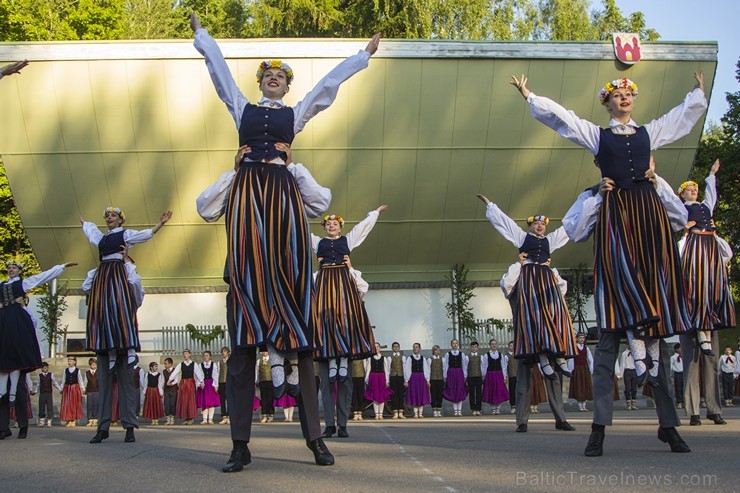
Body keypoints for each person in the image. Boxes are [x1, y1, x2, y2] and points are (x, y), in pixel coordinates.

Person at [191, 9, 380, 469]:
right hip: (247, 214)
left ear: (287, 87)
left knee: (304, 341)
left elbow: (327, 89)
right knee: (241, 346)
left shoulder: (295, 120)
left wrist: (362, 56)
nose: (274, 78)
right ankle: (240, 445)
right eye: (269, 74)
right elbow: (218, 75)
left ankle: (316, 437)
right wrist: (202, 34)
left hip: (284, 214)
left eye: (281, 76)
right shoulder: (242, 108)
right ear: (260, 82)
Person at [512, 70, 707, 456]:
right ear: (607, 102)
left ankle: (669, 425)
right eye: (617, 94)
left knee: (655, 337)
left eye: (628, 93)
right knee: (610, 339)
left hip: (649, 233)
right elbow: (564, 119)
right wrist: (531, 96)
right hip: (618, 231)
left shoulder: (650, 135)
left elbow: (680, 119)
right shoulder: (596, 138)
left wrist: (698, 94)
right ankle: (598, 428)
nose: (624, 98)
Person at [477, 194, 576, 379]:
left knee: (557, 313)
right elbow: (505, 224)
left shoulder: (550, 240)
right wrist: (490, 205)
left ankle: (560, 356)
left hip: (546, 280)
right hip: (531, 280)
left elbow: (567, 229)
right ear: (529, 226)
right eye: (536, 224)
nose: (540, 226)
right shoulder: (522, 238)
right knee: (536, 317)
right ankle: (544, 359)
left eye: (543, 224)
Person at [81, 208, 171, 372]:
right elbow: (91, 232)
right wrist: (84, 223)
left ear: (120, 220)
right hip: (103, 273)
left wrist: (160, 224)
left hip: (116, 271)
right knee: (104, 311)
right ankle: (112, 353)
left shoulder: (125, 234)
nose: (109, 217)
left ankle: (130, 350)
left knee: (121, 307)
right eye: (108, 215)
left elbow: (144, 234)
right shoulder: (102, 238)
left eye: (113, 215)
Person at [0, 261, 76, 440]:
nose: (10, 270)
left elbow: (42, 277)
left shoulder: (23, 286)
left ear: (19, 270)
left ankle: (23, 425)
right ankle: (3, 427)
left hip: (16, 341)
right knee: (2, 387)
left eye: (14, 268)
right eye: (8, 268)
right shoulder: (2, 286)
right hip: (3, 334)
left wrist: (61, 267)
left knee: (18, 388)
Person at [501, 259, 574, 433]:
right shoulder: (517, 277)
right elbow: (506, 285)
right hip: (525, 337)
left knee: (553, 376)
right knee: (524, 380)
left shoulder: (547, 277)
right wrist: (520, 265)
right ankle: (522, 420)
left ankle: (560, 418)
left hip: (546, 336)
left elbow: (562, 290)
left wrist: (546, 272)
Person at [677, 160, 736, 355]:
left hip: (709, 244)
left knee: (713, 285)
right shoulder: (681, 207)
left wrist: (712, 175)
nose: (693, 191)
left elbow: (712, 196)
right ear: (682, 194)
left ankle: (710, 326)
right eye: (689, 189)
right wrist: (684, 228)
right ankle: (702, 331)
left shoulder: (704, 206)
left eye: (695, 189)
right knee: (698, 285)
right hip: (696, 244)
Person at [317, 255, 371, 438]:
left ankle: (342, 424)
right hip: (324, 341)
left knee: (344, 383)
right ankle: (329, 425)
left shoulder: (350, 277)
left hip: (346, 341)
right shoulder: (318, 277)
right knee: (326, 385)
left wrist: (350, 268)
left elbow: (364, 288)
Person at [167, 349, 203, 425]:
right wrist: (170, 380)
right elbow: (175, 372)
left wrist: (201, 381)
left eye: (186, 353)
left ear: (189, 354)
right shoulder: (181, 364)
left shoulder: (194, 364)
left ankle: (190, 418)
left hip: (190, 383)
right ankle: (186, 418)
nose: (185, 355)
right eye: (184, 354)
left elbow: (198, 373)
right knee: (184, 400)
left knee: (190, 400)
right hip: (183, 383)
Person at [364, 342, 392, 420]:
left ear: (380, 348)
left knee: (382, 395)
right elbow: (368, 369)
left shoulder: (384, 358)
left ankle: (381, 413)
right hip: (373, 377)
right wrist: (367, 380)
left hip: (381, 377)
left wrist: (387, 381)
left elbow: (386, 370)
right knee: (375, 395)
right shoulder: (370, 358)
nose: (376, 348)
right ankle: (376, 414)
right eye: (375, 347)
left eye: (377, 347)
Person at [481, 339, 509, 415]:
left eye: (495, 344)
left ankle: (498, 408)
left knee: (499, 390)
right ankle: (493, 409)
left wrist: (504, 377)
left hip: (499, 374)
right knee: (492, 391)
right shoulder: (486, 355)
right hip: (490, 375)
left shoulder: (500, 355)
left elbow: (503, 366)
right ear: (489, 345)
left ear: (497, 345)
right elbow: (484, 366)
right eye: (492, 344)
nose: (494, 345)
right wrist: (484, 376)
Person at [568, 333, 594, 412]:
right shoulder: (574, 348)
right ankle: (580, 405)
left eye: (583, 338)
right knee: (579, 386)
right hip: (577, 369)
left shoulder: (586, 348)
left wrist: (591, 369)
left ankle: (584, 405)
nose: (582, 339)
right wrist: (570, 369)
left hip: (585, 368)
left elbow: (590, 359)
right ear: (576, 339)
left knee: (585, 386)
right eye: (580, 338)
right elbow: (571, 359)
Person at [404, 343, 431, 418]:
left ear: (420, 349)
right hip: (413, 378)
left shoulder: (423, 358)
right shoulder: (410, 358)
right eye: (414, 347)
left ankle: (421, 413)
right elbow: (408, 369)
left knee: (421, 394)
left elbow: (426, 369)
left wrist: (427, 380)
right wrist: (406, 380)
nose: (415, 349)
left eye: (416, 347)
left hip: (421, 378)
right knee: (414, 394)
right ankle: (415, 413)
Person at [443, 339, 468, 417]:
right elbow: (446, 366)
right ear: (451, 345)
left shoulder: (462, 354)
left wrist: (465, 375)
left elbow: (464, 365)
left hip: (459, 373)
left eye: (456, 343)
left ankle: (459, 410)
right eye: (453, 343)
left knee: (459, 390)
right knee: (453, 390)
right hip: (451, 373)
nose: (455, 345)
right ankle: (455, 410)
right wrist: (445, 376)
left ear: (458, 344)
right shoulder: (448, 354)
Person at [60, 356, 85, 427]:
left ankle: (73, 420)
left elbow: (80, 380)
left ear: (74, 362)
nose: (69, 362)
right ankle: (69, 419)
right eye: (68, 361)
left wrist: (82, 388)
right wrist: (61, 389)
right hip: (67, 388)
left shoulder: (77, 370)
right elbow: (63, 380)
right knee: (67, 404)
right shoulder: (66, 370)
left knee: (74, 404)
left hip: (74, 388)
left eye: (71, 361)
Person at [34, 362, 61, 427]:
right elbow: (38, 385)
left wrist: (60, 389)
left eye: (47, 368)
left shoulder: (51, 375)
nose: (46, 369)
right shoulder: (39, 376)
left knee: (49, 406)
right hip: (42, 393)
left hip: (49, 393)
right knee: (41, 406)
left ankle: (49, 421)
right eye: (44, 368)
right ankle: (42, 421)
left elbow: (55, 383)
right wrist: (35, 391)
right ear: (42, 369)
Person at [197, 351, 220, 425]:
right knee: (204, 402)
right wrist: (200, 383)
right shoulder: (200, 365)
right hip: (204, 384)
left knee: (211, 402)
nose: (205, 357)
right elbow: (199, 375)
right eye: (204, 356)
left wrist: (216, 385)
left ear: (210, 356)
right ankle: (204, 418)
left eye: (207, 355)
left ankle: (210, 418)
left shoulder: (213, 364)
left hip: (211, 384)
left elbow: (215, 375)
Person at [387, 342, 406, 419]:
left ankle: (401, 412)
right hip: (393, 377)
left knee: (401, 394)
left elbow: (405, 369)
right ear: (392, 348)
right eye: (394, 347)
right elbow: (388, 369)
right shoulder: (389, 358)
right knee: (394, 394)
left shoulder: (403, 357)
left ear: (399, 348)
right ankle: (395, 412)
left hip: (401, 377)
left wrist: (406, 380)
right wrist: (387, 380)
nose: (396, 348)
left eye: (397, 347)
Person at [256, 351, 274, 423]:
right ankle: (264, 415)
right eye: (263, 351)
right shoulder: (259, 361)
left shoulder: (272, 360)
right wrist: (257, 381)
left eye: (266, 351)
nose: (264, 352)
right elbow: (256, 371)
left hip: (270, 380)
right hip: (262, 381)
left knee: (270, 398)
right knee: (263, 398)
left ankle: (271, 414)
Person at [466, 342, 483, 416]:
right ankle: (473, 409)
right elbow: (465, 367)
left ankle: (478, 409)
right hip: (471, 376)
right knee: (472, 393)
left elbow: (483, 366)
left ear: (477, 348)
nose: (474, 348)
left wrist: (483, 376)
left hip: (478, 376)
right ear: (470, 348)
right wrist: (466, 377)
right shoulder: (467, 357)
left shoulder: (480, 356)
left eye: (475, 347)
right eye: (472, 347)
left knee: (479, 393)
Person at [429, 345, 445, 417]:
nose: (437, 352)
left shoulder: (442, 359)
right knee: (433, 395)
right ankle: (434, 410)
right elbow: (428, 370)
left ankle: (439, 409)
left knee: (440, 395)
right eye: (436, 350)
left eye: (438, 350)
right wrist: (428, 380)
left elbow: (444, 369)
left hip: (440, 379)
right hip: (433, 379)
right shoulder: (430, 359)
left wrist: (444, 378)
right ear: (433, 351)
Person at [162, 358, 178, 425]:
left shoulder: (175, 370)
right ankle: (168, 418)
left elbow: (177, 379)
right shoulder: (164, 371)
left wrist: (172, 383)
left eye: (166, 364)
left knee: (172, 404)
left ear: (170, 364)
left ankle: (172, 418)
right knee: (166, 404)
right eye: (164, 364)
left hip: (173, 389)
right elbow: (162, 381)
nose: (165, 365)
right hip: (166, 390)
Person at [85, 358, 99, 427]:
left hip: (97, 390)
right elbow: (85, 381)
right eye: (92, 365)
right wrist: (84, 389)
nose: (94, 366)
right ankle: (90, 419)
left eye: (95, 364)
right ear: (90, 365)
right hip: (90, 390)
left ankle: (96, 419)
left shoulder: (99, 372)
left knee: (96, 405)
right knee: (90, 405)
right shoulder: (87, 373)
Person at [218, 347, 230, 424]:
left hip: (229, 382)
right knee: (222, 400)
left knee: (229, 400)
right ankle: (224, 416)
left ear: (228, 352)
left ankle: (229, 416)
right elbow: (217, 373)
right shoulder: (220, 362)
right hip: (221, 382)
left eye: (224, 351)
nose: (223, 353)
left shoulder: (231, 361)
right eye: (222, 352)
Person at [669, 344, 684, 409]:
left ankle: (684, 401)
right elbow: (671, 367)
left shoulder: (684, 356)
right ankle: (679, 402)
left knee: (684, 387)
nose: (681, 349)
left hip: (684, 373)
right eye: (680, 348)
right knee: (678, 388)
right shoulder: (673, 357)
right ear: (676, 349)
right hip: (677, 374)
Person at [506, 341, 517, 415]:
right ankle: (513, 406)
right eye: (510, 346)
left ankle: (519, 406)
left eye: (513, 346)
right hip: (511, 375)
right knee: (512, 391)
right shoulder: (506, 356)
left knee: (520, 391)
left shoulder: (517, 355)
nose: (512, 347)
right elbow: (504, 367)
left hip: (519, 375)